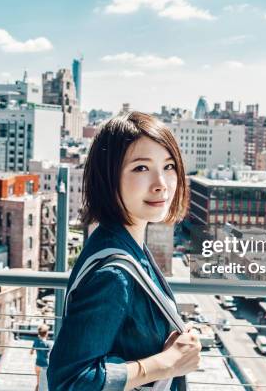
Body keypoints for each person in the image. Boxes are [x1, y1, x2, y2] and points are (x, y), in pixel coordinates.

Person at [47, 112, 201, 390]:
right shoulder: (113, 273)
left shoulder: (124, 246)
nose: (161, 183)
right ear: (108, 178)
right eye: (141, 168)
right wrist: (168, 363)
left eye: (168, 166)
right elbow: (70, 381)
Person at [31, 324, 53, 391]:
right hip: (45, 365)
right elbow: (51, 355)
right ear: (46, 333)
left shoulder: (36, 341)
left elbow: (31, 352)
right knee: (45, 385)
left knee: (38, 383)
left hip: (37, 365)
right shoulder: (48, 344)